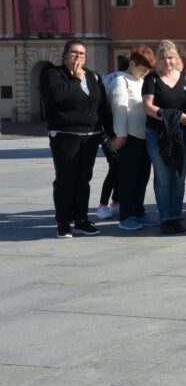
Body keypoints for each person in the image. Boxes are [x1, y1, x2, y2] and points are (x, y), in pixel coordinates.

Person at [41, 40, 112, 238]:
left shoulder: (92, 76)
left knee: (83, 179)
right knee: (65, 179)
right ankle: (63, 222)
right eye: (74, 53)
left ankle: (81, 219)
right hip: (65, 136)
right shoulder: (53, 75)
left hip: (90, 136)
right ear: (65, 55)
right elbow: (55, 97)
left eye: (82, 54)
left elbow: (102, 106)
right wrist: (74, 80)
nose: (79, 57)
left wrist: (111, 133)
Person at [143, 41, 186, 232]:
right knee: (163, 177)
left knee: (179, 177)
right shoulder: (151, 80)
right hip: (158, 135)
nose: (168, 62)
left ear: (176, 59)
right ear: (158, 61)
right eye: (164, 58)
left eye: (171, 58)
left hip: (181, 135)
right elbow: (148, 108)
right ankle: (165, 218)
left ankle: (176, 216)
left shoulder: (185, 79)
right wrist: (176, 117)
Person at [108, 46, 156, 232]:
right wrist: (120, 135)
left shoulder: (140, 81)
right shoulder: (121, 81)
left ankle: (138, 210)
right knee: (128, 178)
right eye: (143, 68)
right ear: (132, 63)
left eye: (148, 69)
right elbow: (119, 109)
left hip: (144, 137)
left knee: (142, 177)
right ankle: (126, 215)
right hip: (129, 138)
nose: (145, 72)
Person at [98, 55, 130, 220]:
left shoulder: (107, 78)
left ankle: (116, 202)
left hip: (112, 131)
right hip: (110, 132)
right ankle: (104, 204)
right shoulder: (119, 80)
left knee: (119, 167)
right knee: (115, 166)